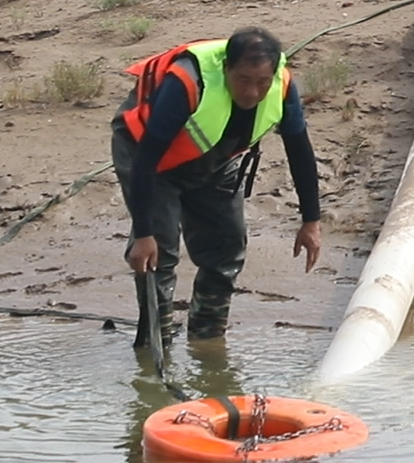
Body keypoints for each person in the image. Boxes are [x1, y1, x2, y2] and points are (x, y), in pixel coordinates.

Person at [111, 27, 322, 344]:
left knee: (227, 246)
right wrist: (143, 233)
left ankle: (207, 340)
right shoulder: (185, 83)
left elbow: (300, 150)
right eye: (244, 81)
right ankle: (156, 342)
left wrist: (311, 221)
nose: (252, 93)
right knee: (159, 252)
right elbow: (145, 159)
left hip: (213, 161)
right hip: (151, 161)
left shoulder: (282, 85)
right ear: (226, 70)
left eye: (262, 83)